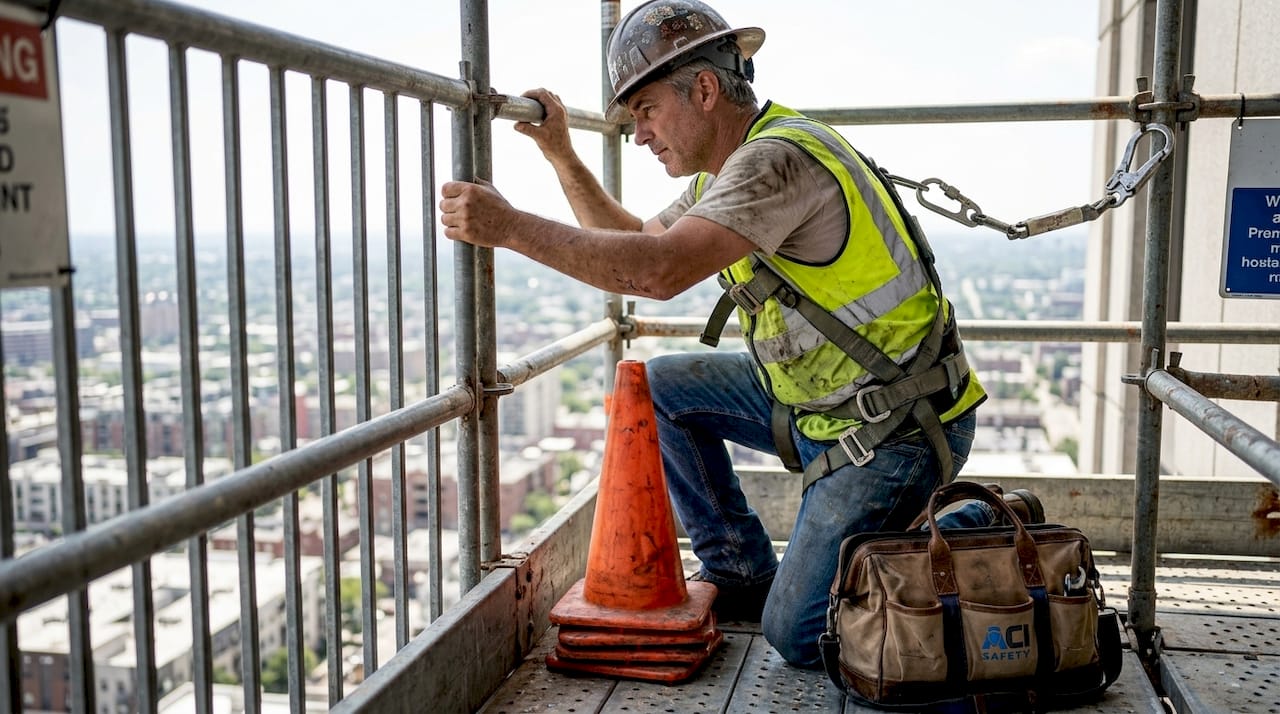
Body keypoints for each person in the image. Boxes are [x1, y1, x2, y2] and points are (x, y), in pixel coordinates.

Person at [440, 0, 1036, 669]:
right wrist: (561, 156)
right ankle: (741, 568)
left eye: (646, 110)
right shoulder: (729, 171)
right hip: (828, 404)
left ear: (703, 89)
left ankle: (979, 526)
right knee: (658, 388)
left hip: (893, 426)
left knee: (801, 632)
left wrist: (510, 227)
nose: (639, 135)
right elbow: (635, 242)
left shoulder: (774, 164)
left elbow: (658, 272)